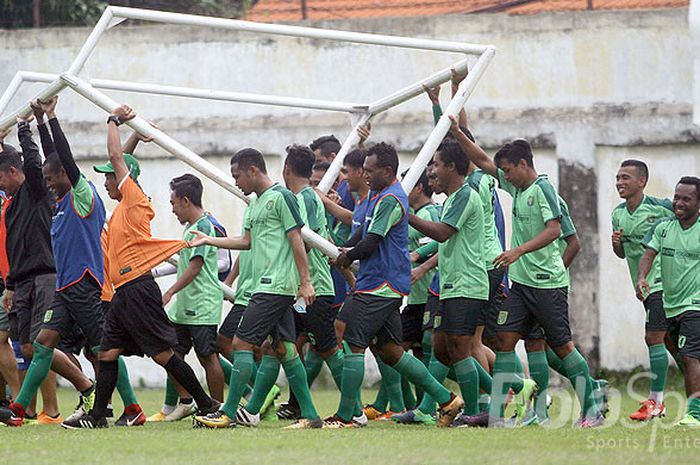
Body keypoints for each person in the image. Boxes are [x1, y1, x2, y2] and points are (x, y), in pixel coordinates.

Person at [62, 104, 219, 429]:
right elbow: (122, 163)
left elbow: (120, 162)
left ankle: (205, 404)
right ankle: (97, 417)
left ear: (123, 180)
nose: (105, 182)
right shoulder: (123, 205)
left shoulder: (132, 198)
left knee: (163, 355)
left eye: (109, 178)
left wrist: (113, 121)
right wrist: (135, 134)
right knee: (107, 353)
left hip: (138, 290)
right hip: (124, 293)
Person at [447, 115, 603, 428]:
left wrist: (518, 251)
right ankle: (505, 415)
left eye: (507, 170)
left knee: (561, 347)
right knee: (505, 341)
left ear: (522, 163)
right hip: (520, 283)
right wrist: (456, 132)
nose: (504, 175)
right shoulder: (516, 189)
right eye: (502, 171)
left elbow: (555, 231)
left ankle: (593, 409)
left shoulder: (543, 190)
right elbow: (480, 158)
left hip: (546, 285)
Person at [323, 142, 464, 428]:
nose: (365, 175)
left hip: (381, 283)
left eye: (370, 171)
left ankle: (348, 416)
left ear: (388, 171)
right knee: (391, 351)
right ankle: (448, 400)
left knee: (350, 338)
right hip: (380, 281)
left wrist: (346, 256)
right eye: (363, 170)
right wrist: (343, 247)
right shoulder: (377, 195)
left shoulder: (390, 198)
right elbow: (361, 233)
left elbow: (371, 242)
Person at [192, 147, 322, 430]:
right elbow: (246, 241)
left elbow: (297, 239)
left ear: (253, 170)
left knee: (239, 343)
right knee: (285, 348)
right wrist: (209, 241)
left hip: (275, 286)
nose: (236, 182)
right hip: (264, 285)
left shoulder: (282, 198)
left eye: (237, 176)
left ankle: (227, 412)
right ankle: (311, 416)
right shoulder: (255, 203)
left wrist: (306, 281)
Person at [0, 113, 61, 424]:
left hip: (43, 277)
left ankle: (49, 411)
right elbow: (13, 249)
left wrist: (26, 127)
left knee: (39, 344)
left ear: (13, 172)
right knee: (26, 345)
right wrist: (10, 285)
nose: (0, 185)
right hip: (21, 281)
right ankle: (81, 386)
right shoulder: (11, 206)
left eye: (1, 178)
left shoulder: (36, 191)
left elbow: (35, 163)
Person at [611, 159, 675, 421]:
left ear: (642, 182)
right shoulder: (618, 213)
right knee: (672, 342)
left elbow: (687, 218)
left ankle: (656, 402)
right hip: (643, 287)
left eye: (625, 177)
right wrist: (616, 244)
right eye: (617, 178)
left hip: (662, 283)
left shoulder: (660, 208)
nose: (619, 183)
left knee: (653, 337)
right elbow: (621, 254)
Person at [158, 174, 226, 417]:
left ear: (186, 201)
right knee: (171, 354)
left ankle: (217, 408)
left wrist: (170, 290)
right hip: (185, 304)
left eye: (173, 203)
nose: (172, 209)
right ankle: (187, 401)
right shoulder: (191, 229)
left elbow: (195, 267)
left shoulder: (205, 227)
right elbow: (184, 263)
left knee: (207, 356)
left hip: (203, 303)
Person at [638, 176, 700, 426]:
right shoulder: (664, 228)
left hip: (695, 305)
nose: (679, 203)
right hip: (670, 304)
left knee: (690, 356)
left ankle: (695, 414)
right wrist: (642, 277)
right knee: (678, 351)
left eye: (687, 199)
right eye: (677, 197)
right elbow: (648, 254)